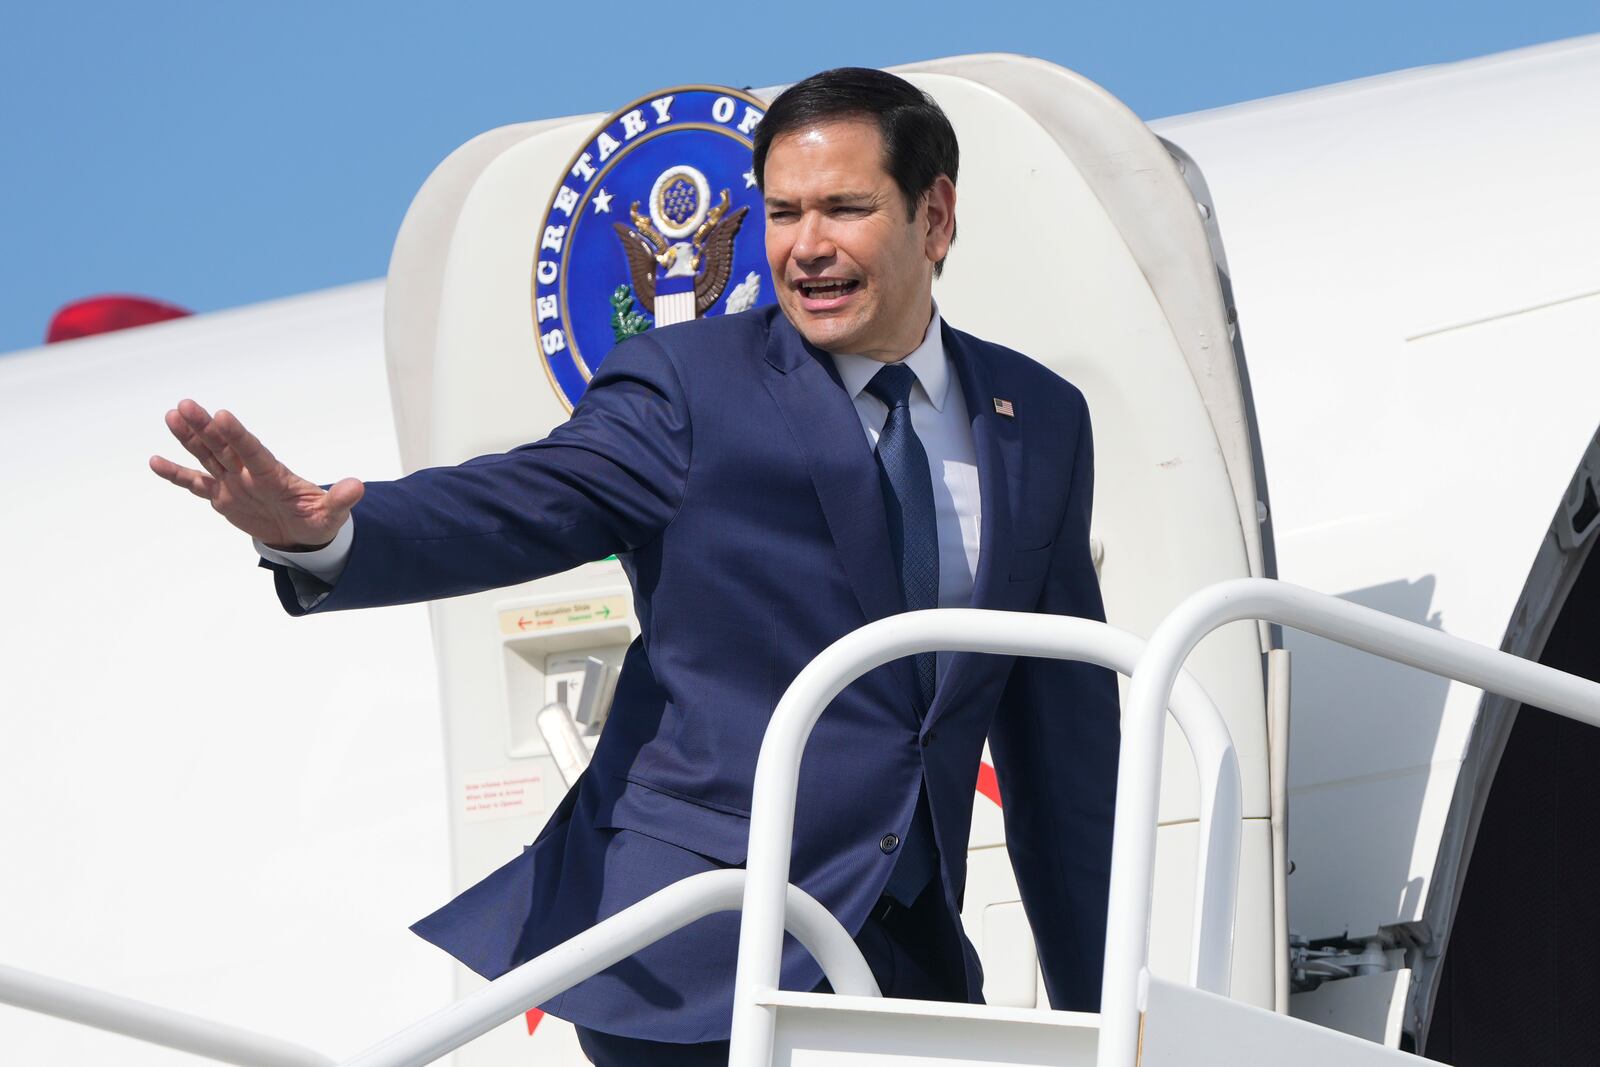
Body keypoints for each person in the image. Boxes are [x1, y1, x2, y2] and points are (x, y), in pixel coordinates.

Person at [150, 67, 1119, 1066]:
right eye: (781, 212)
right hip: (690, 955)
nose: (806, 246)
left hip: (905, 957)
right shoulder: (691, 386)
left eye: (844, 207)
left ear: (935, 215)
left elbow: (1064, 755)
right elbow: (527, 499)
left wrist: (1103, 1011)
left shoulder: (1037, 421)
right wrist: (327, 532)